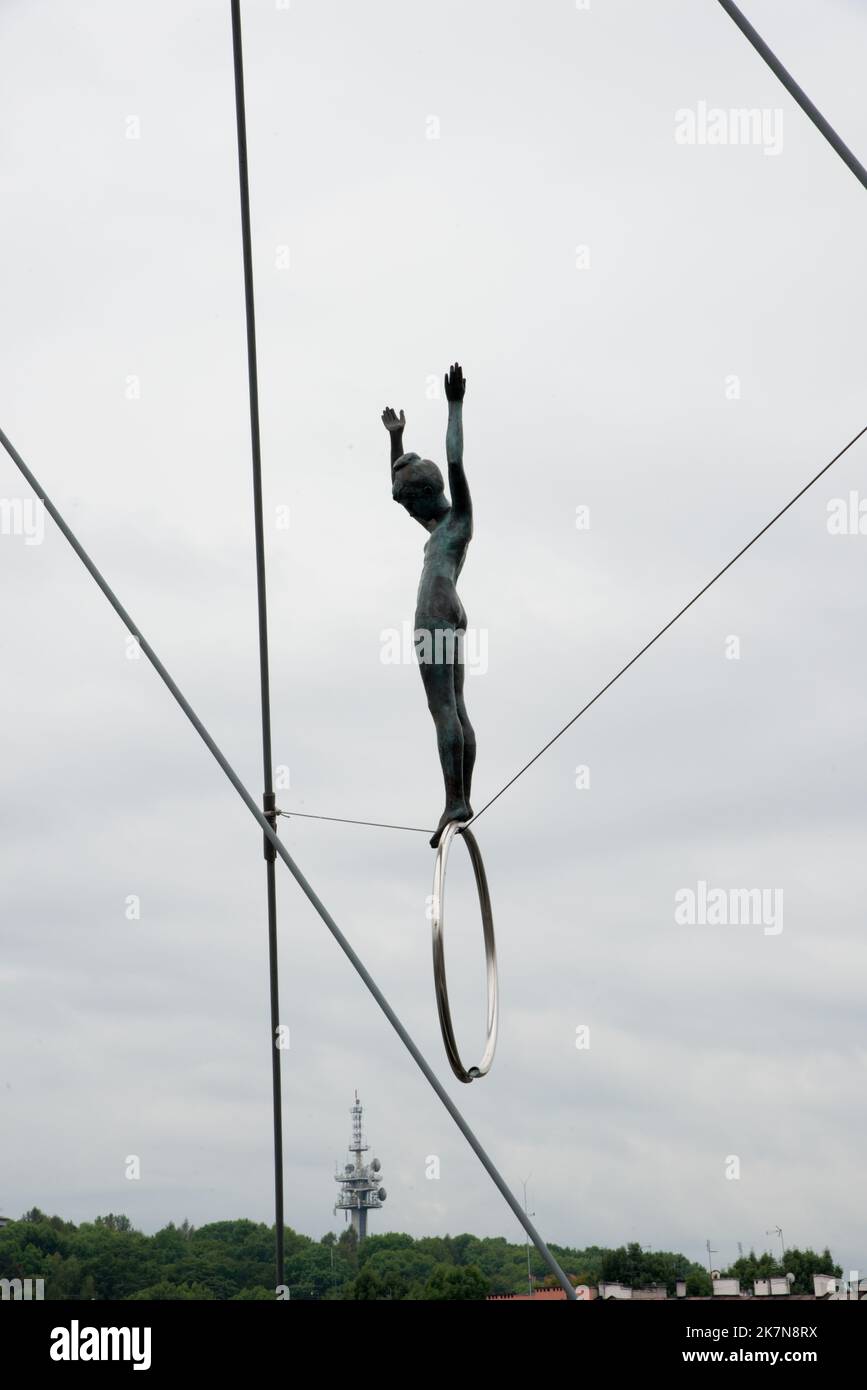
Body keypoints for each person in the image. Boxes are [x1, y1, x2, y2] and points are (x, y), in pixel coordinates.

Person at [382, 363, 476, 847]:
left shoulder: (457, 517)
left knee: (443, 709)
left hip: (435, 610)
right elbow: (398, 496)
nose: (407, 509)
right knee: (455, 705)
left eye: (410, 501)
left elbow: (455, 463)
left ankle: (455, 798)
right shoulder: (443, 528)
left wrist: (455, 405)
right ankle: (460, 797)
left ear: (425, 496)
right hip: (451, 609)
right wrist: (397, 442)